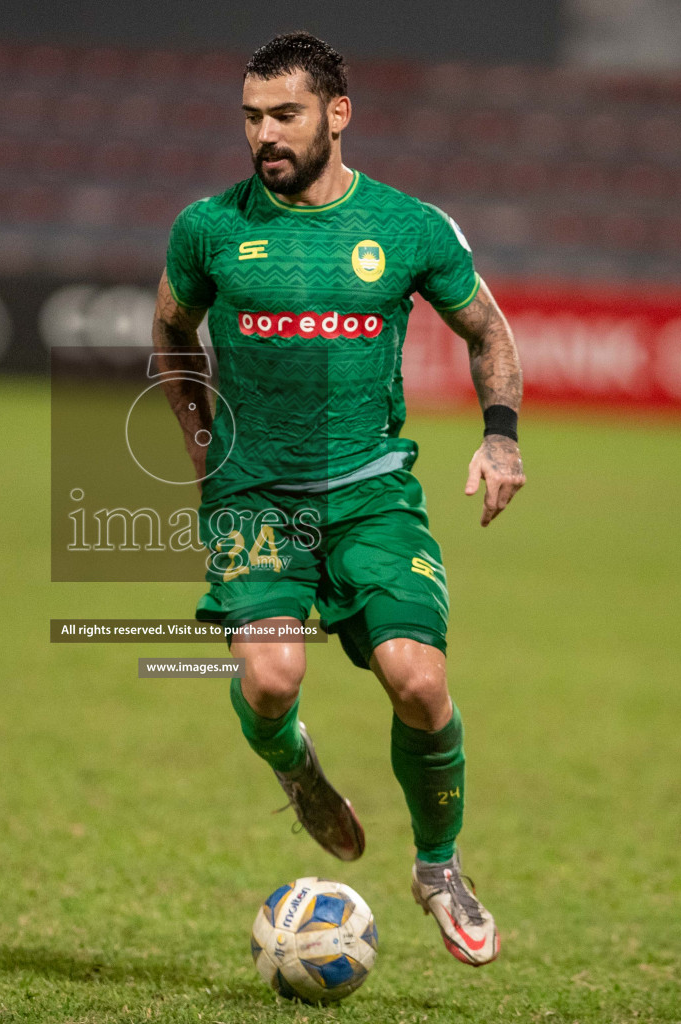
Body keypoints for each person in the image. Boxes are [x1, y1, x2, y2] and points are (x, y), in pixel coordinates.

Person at [152, 32, 525, 966]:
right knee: (271, 681)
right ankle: (291, 760)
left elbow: (487, 331)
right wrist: (204, 456)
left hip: (371, 494)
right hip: (253, 499)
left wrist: (501, 436)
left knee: (421, 681)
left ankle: (437, 868)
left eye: (285, 115)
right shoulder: (209, 228)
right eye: (251, 118)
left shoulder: (405, 227)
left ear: (337, 114)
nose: (264, 136)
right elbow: (169, 333)